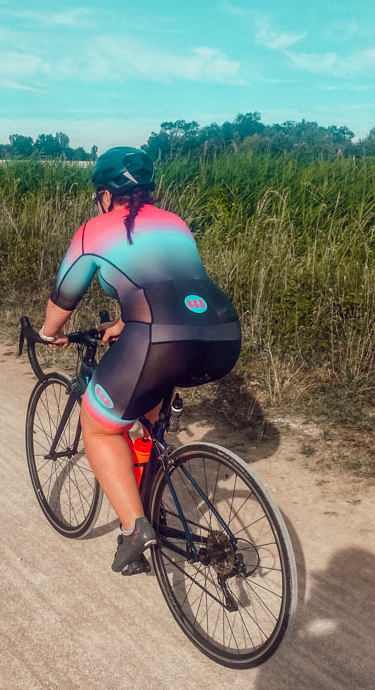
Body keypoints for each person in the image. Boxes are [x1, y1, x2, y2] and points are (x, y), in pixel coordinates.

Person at [39, 146, 241, 574]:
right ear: (149, 191)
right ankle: (152, 502)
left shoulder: (95, 230)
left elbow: (64, 298)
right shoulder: (176, 224)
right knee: (146, 417)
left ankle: (135, 529)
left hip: (158, 339)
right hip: (221, 333)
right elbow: (166, 288)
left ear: (106, 195)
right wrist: (124, 325)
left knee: (97, 427)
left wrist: (49, 333)